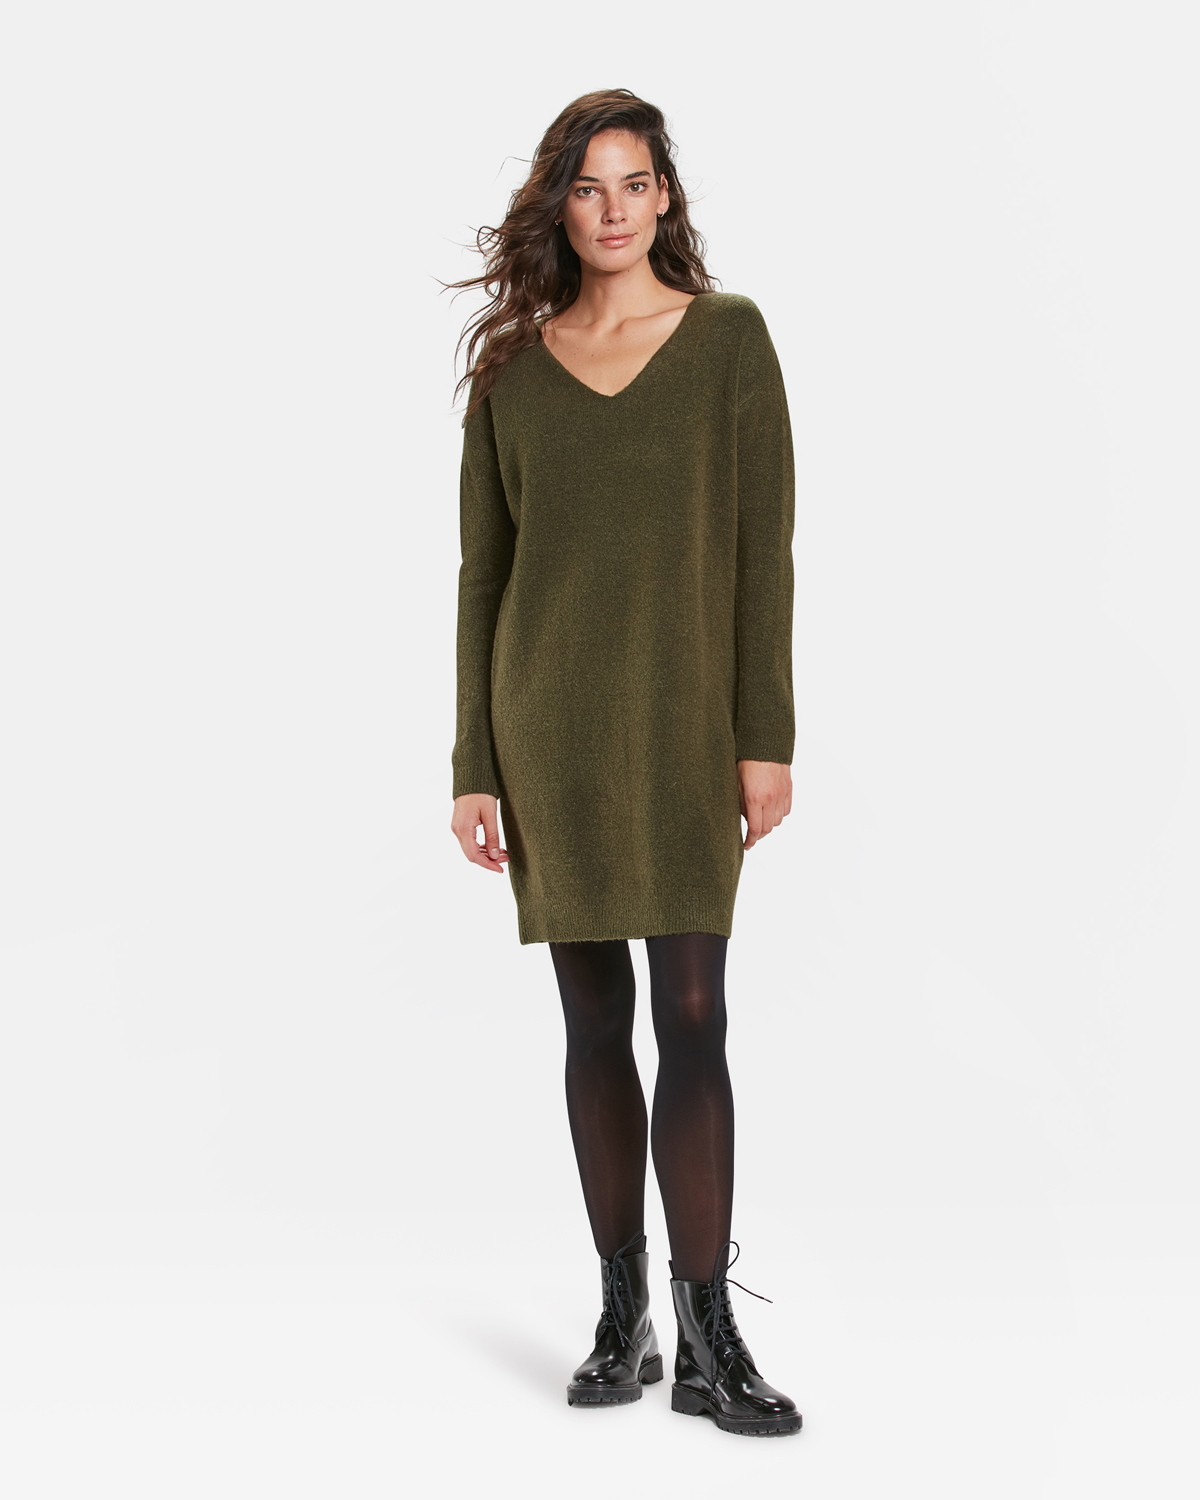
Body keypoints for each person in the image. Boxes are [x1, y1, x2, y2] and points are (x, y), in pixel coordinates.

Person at [447, 89, 801, 1438]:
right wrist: (474, 762)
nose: (612, 209)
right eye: (588, 187)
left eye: (635, 183)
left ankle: (712, 1335)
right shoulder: (513, 372)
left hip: (687, 727)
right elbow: (485, 578)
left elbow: (763, 551)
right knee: (594, 1022)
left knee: (694, 1013)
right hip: (551, 731)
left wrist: (764, 736)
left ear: (665, 197)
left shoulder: (727, 340)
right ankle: (624, 1312)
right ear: (563, 204)